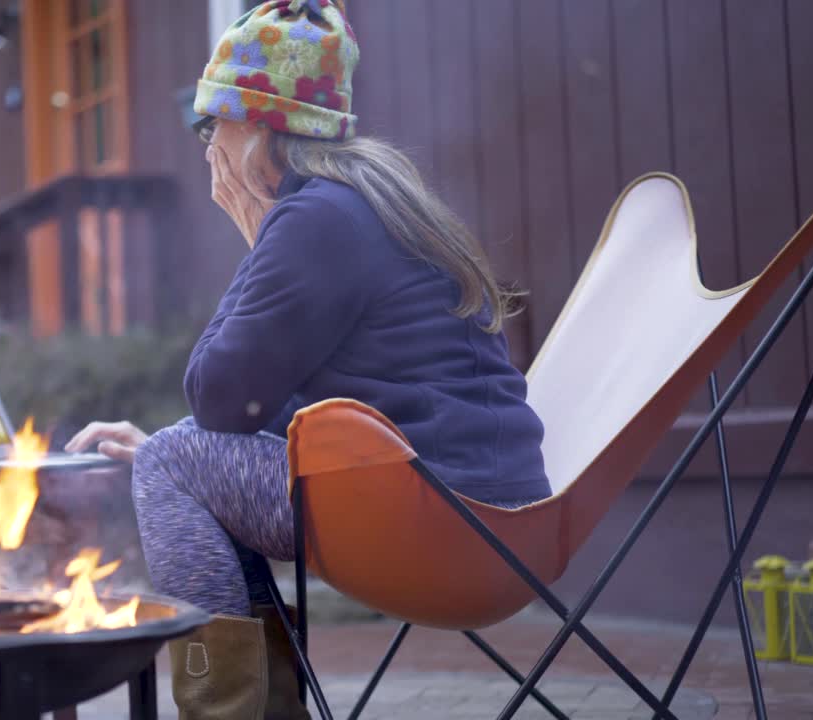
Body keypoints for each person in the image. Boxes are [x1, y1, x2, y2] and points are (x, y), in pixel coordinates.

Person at [66, 1, 550, 716]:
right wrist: (192, 462)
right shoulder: (375, 199)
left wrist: (257, 239)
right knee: (173, 457)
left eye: (213, 122)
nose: (207, 146)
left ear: (260, 125)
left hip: (434, 524)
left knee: (173, 457)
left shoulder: (316, 218)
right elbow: (275, 408)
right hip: (492, 516)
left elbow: (217, 396)